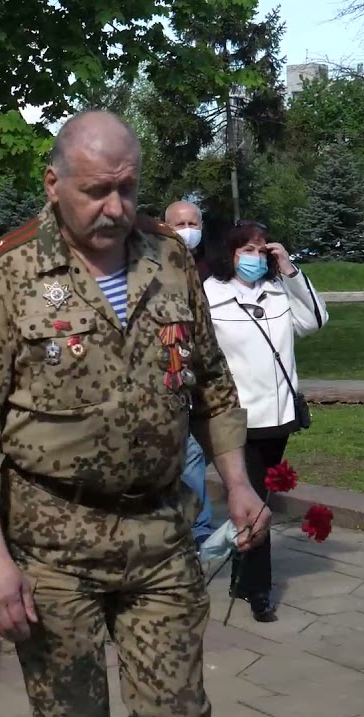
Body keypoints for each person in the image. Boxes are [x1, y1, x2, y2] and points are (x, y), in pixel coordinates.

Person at [0, 110, 270, 717]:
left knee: (180, 710)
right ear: (53, 184)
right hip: (54, 544)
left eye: (128, 188)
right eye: (95, 191)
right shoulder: (5, 277)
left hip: (162, 535)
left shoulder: (167, 260)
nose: (115, 207)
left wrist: (238, 484)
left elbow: (212, 384)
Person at [203, 220, 327, 622]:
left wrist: (290, 270)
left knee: (258, 498)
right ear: (230, 254)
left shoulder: (278, 293)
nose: (255, 258)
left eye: (261, 250)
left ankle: (240, 573)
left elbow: (316, 321)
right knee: (255, 501)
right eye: (247, 251)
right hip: (237, 418)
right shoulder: (210, 294)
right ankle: (259, 588)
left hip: (278, 417)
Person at [163, 200, 213, 547]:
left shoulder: (213, 269)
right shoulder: (157, 268)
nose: (188, 231)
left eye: (193, 223)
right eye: (180, 224)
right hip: (170, 380)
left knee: (193, 453)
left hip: (205, 380)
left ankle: (197, 529)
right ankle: (194, 529)